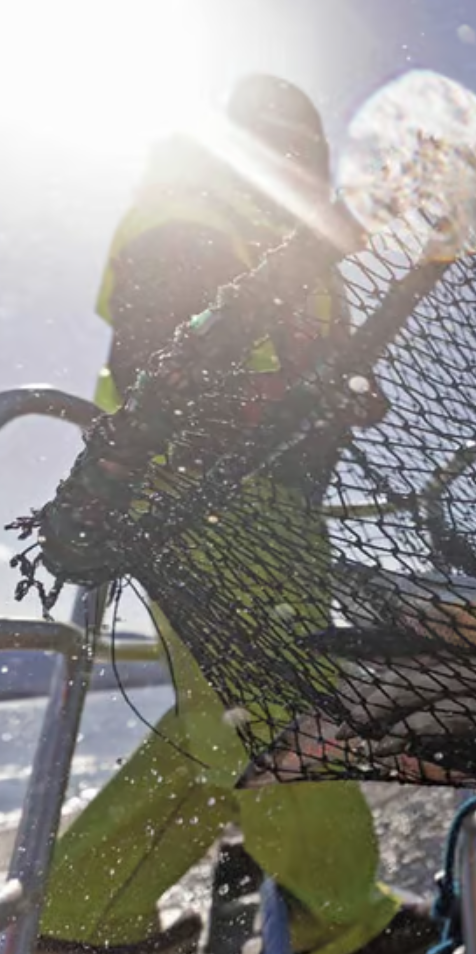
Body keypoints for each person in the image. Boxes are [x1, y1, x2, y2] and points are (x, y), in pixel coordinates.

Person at [37, 75, 432, 954]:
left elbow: (303, 386)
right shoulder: (191, 213)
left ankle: (76, 913)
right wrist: (286, 403)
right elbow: (155, 368)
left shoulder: (297, 251)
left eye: (313, 155)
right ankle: (347, 921)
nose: (307, 170)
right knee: (270, 706)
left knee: (221, 719)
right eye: (290, 149)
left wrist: (337, 405)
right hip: (192, 503)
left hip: (282, 516)